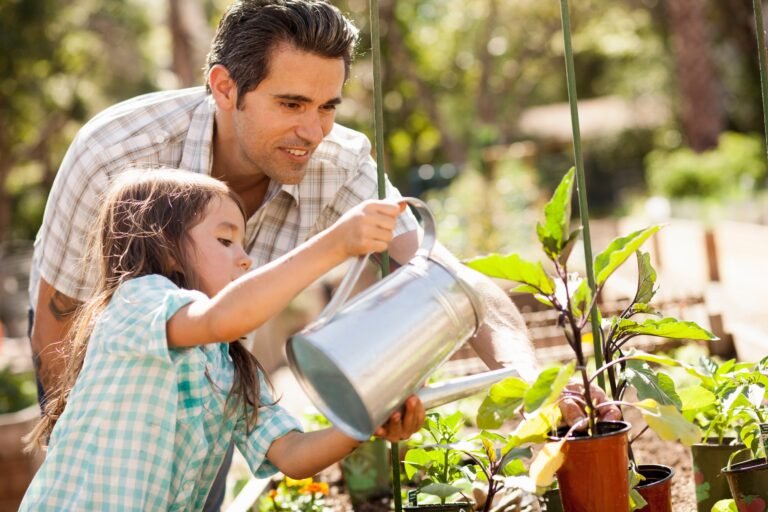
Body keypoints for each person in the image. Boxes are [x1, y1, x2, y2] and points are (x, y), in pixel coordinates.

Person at [20, 169, 425, 511]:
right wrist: (336, 244)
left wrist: (364, 422)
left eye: (244, 244)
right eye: (226, 241)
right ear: (167, 248)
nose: (245, 258)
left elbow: (293, 454)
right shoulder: (137, 303)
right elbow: (223, 318)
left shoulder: (228, 364)